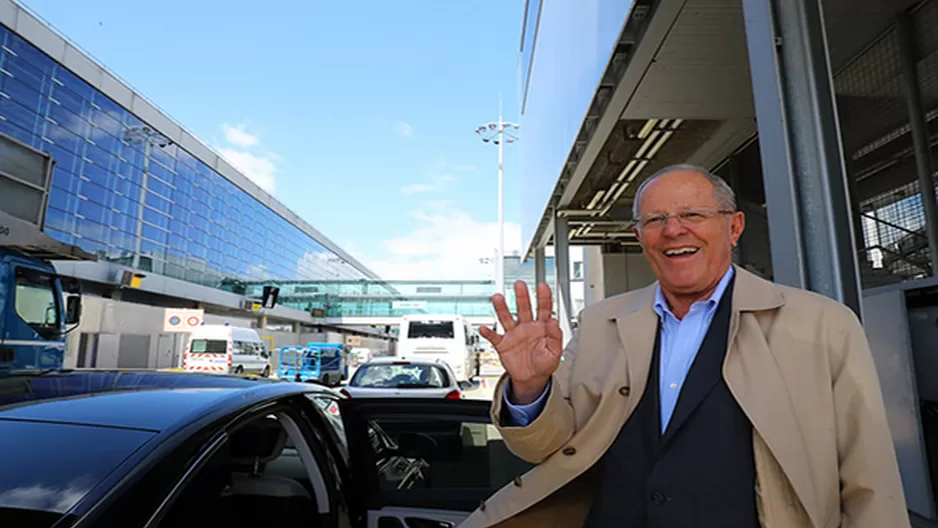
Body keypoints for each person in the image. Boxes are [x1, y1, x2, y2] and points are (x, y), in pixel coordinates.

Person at [458, 165, 909, 528]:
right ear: (640, 237)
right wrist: (531, 387)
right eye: (655, 220)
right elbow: (547, 447)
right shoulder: (600, 322)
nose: (673, 230)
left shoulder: (822, 324)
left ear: (733, 227)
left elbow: (869, 476)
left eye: (693, 215)